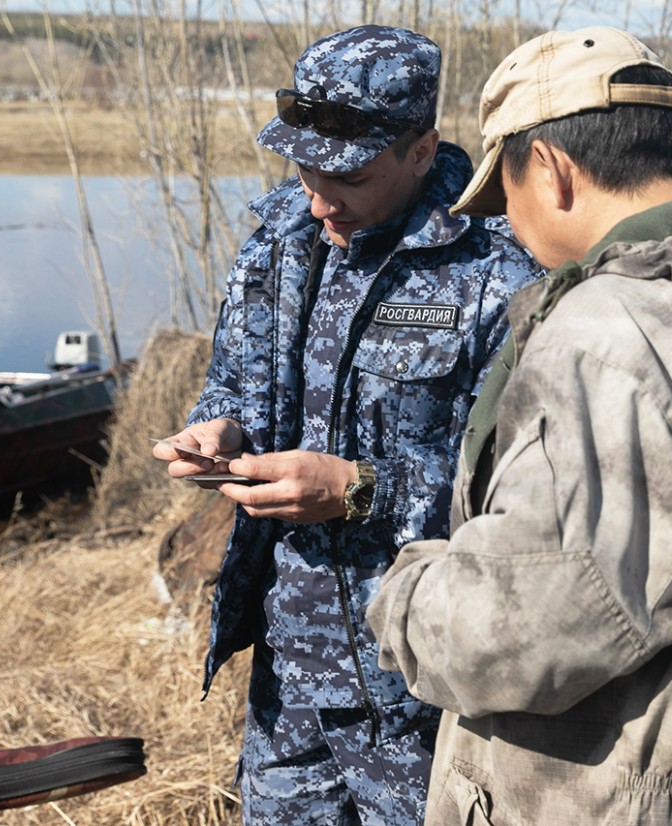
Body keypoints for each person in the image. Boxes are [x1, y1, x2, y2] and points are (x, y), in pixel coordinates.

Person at [367, 26, 672, 825]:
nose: (513, 230)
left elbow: (555, 616)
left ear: (554, 171)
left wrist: (406, 593)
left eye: (508, 198)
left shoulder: (610, 331)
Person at [151, 25, 543, 826]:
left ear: (423, 151)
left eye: (353, 177)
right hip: (289, 674)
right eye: (305, 170)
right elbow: (236, 387)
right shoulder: (281, 240)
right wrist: (218, 432)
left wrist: (361, 491)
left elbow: (524, 498)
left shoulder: (499, 264)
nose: (322, 199)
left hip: (424, 681)